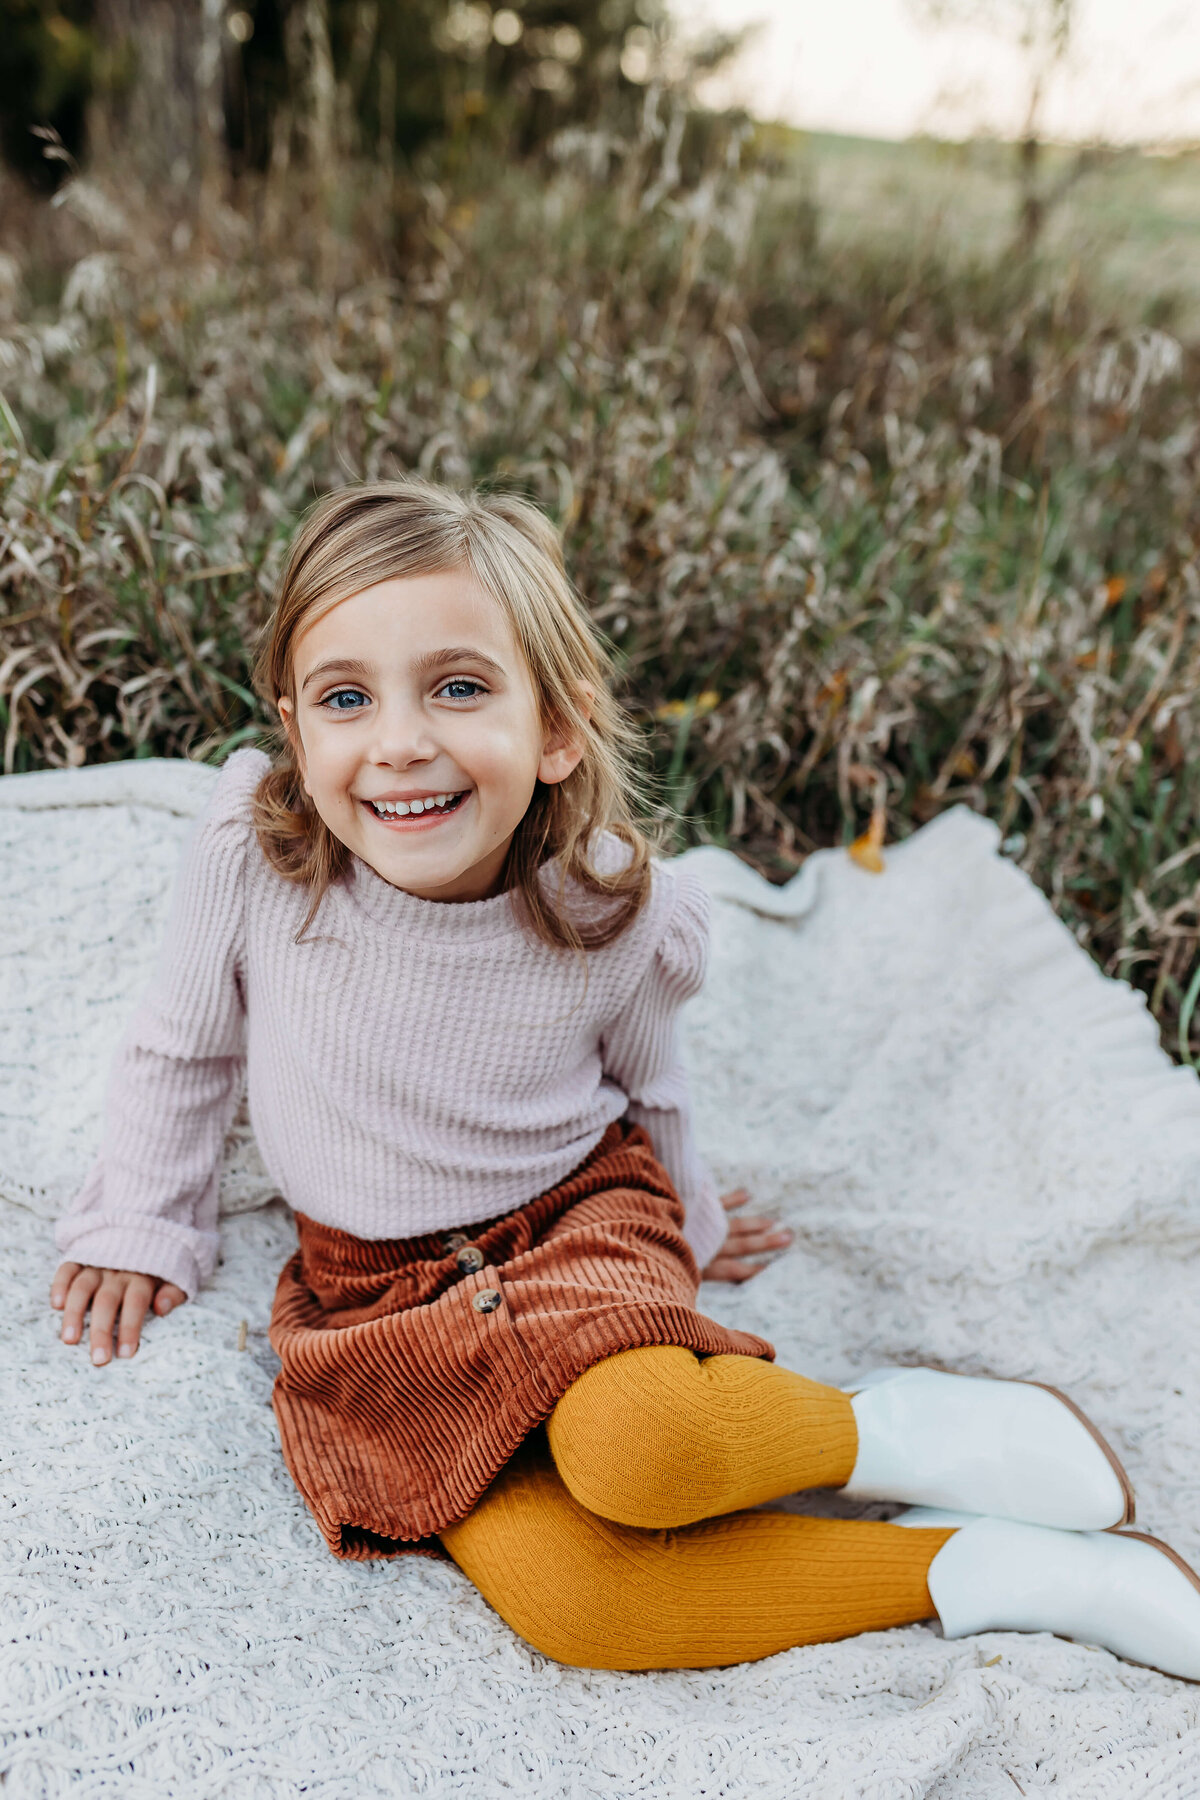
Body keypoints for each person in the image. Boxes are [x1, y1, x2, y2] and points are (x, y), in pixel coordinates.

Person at [49, 478, 1200, 1678]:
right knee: (581, 1604)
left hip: (573, 1221)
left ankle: (891, 1431)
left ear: (555, 728)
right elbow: (183, 1050)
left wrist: (692, 1222)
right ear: (295, 730)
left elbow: (657, 1090)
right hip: (376, 1300)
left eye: (458, 687)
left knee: (640, 1449)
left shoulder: (607, 907)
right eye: (347, 699)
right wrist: (140, 1219)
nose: (397, 741)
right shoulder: (255, 856)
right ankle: (1008, 1573)